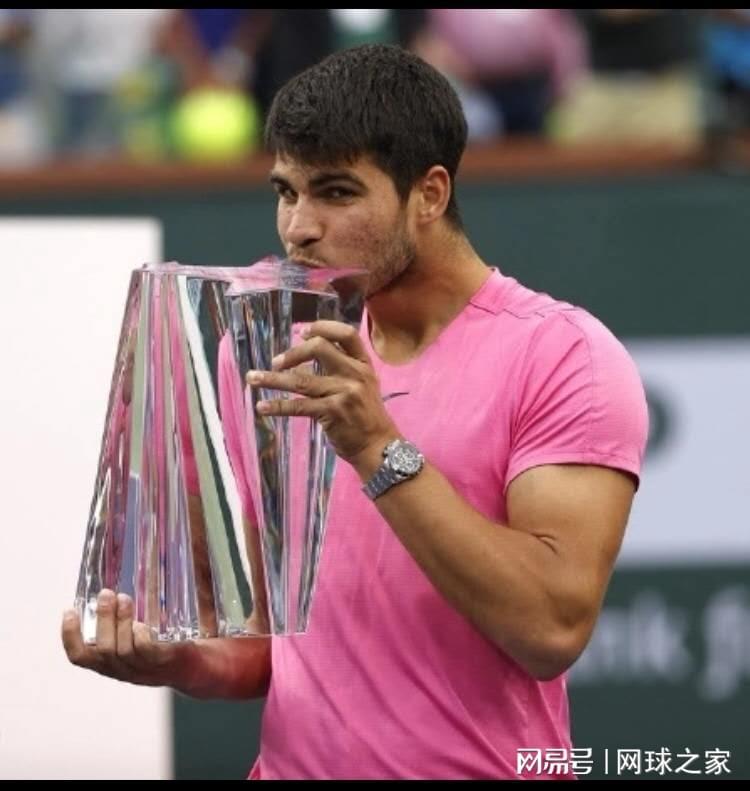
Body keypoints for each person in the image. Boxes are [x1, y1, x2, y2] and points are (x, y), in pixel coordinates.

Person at [62, 44, 649, 780]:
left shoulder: (565, 357)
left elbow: (550, 628)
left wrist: (376, 445)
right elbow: (267, 644)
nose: (298, 227)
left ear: (429, 195)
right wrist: (176, 660)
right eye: (286, 192)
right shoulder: (272, 345)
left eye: (336, 192)